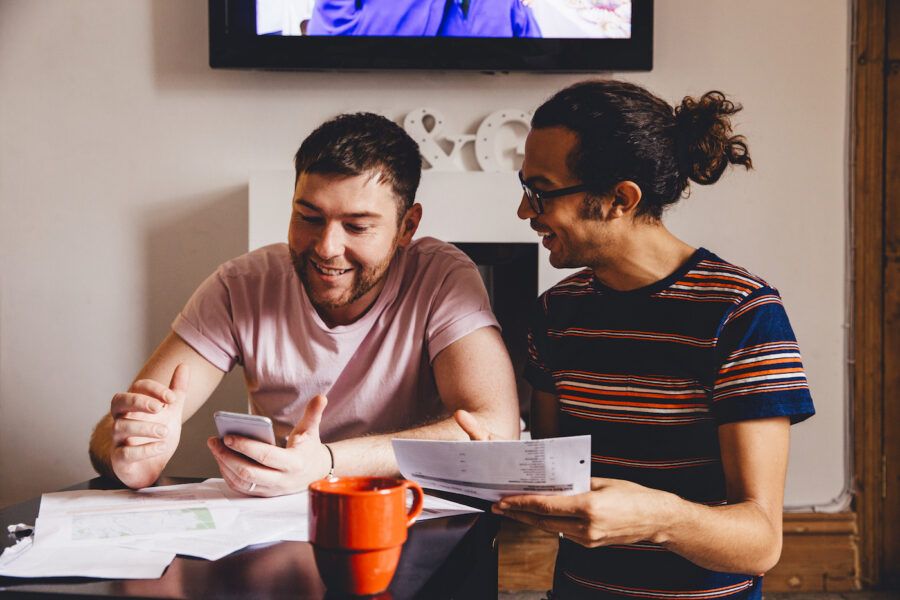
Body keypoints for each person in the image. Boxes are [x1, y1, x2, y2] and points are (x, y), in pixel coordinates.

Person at [456, 80, 815, 599]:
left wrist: (657, 517)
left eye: (540, 191)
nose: (523, 211)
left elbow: (760, 544)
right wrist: (497, 466)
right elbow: (562, 477)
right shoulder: (557, 312)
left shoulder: (741, 313)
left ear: (619, 200)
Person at [89, 112, 520, 496]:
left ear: (407, 226)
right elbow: (109, 436)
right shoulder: (241, 284)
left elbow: (496, 433)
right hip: (291, 515)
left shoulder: (442, 277)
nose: (326, 248)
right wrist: (129, 455)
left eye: (356, 226)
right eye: (309, 218)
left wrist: (329, 462)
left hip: (414, 514)